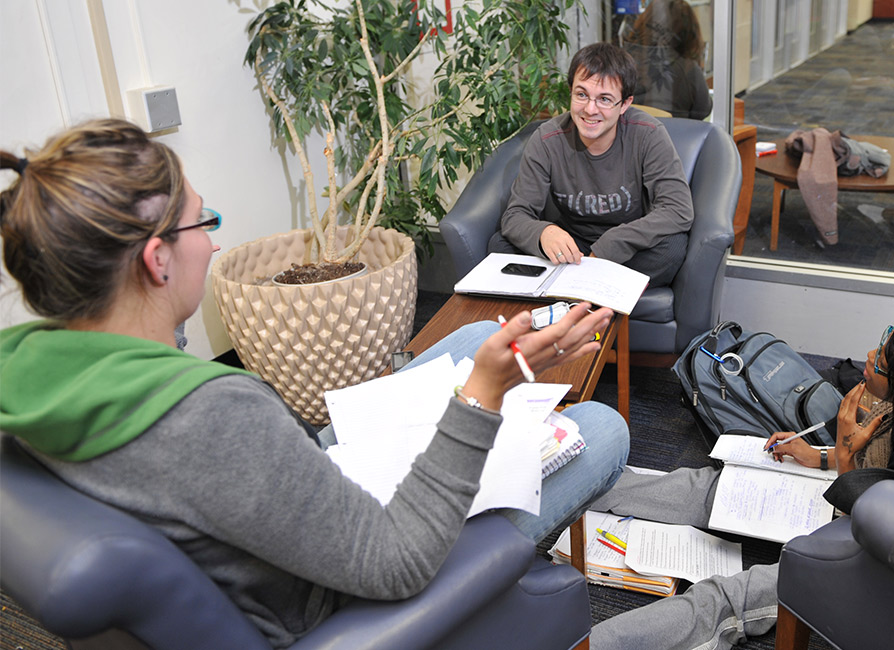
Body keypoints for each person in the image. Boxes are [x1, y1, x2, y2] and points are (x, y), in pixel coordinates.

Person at [0, 119, 630, 648]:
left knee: (466, 345)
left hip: (271, 511)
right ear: (156, 259)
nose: (213, 245)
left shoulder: (26, 372)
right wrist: (487, 393)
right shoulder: (212, 415)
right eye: (202, 223)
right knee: (598, 427)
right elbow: (397, 560)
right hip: (346, 587)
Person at [587, 311, 894, 650]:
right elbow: (882, 464)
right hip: (859, 500)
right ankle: (577, 483)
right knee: (716, 487)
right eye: (885, 342)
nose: (869, 355)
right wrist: (821, 455)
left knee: (723, 598)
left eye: (882, 360)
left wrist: (846, 455)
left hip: (884, 558)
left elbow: (861, 532)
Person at [488, 42, 695, 289]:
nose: (590, 109)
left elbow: (678, 209)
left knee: (672, 248)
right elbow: (515, 215)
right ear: (571, 92)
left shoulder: (648, 134)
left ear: (625, 104)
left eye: (605, 99)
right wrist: (544, 233)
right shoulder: (546, 139)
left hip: (628, 247)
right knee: (499, 245)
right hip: (571, 247)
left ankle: (570, 289)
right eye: (582, 94)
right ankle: (587, 288)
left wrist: (613, 243)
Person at [624, 0, 713, 120]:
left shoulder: (624, 61)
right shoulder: (688, 70)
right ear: (688, 34)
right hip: (676, 137)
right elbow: (703, 110)